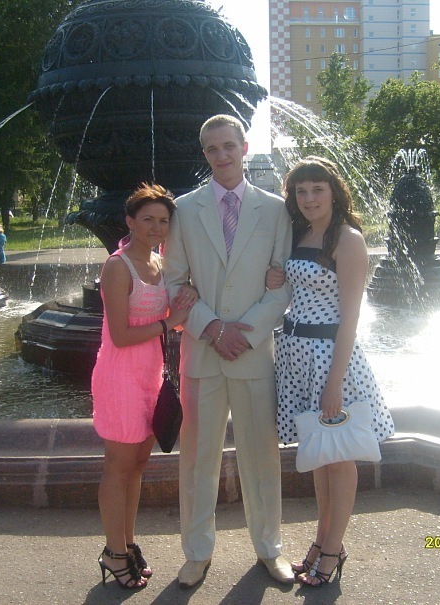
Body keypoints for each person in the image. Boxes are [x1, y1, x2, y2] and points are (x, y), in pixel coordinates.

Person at [162, 114, 294, 588]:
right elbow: (173, 282)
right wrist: (215, 328)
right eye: (212, 148)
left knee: (262, 458)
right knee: (198, 459)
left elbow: (283, 285)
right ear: (204, 154)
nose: (221, 155)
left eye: (228, 146)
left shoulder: (276, 210)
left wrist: (247, 334)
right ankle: (197, 552)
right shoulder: (183, 210)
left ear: (244, 147)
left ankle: (270, 549)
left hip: (254, 354)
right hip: (202, 352)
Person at [268, 156, 395, 587]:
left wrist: (335, 383)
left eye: (317, 190)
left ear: (333, 192)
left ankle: (333, 549)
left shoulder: (347, 239)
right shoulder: (300, 232)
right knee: (321, 456)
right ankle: (323, 542)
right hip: (297, 355)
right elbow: (294, 290)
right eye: (301, 191)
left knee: (338, 458)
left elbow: (350, 318)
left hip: (330, 357)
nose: (308, 199)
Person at [91, 183, 196, 590]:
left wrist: (184, 305)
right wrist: (170, 322)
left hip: (151, 376)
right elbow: (120, 335)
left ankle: (127, 542)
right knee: (118, 466)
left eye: (163, 221)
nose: (156, 227)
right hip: (120, 376)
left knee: (137, 465)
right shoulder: (118, 267)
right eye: (148, 219)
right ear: (130, 221)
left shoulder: (160, 264)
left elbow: (171, 321)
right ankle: (113, 551)